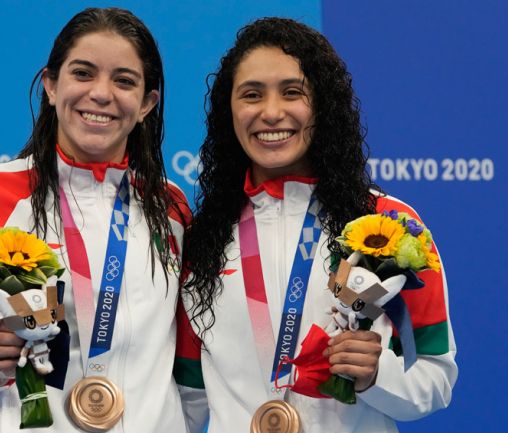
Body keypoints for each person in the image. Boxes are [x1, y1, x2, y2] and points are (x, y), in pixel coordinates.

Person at [0, 7, 190, 432]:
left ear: (148, 103)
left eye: (124, 81)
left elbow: (187, 372)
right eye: (83, 73)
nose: (101, 93)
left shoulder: (171, 208)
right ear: (52, 86)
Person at [174, 17, 457, 433]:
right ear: (228, 111)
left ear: (323, 104)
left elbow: (436, 377)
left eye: (293, 93)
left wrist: (376, 378)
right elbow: (186, 400)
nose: (271, 113)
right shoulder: (205, 239)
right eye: (252, 95)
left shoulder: (389, 227)